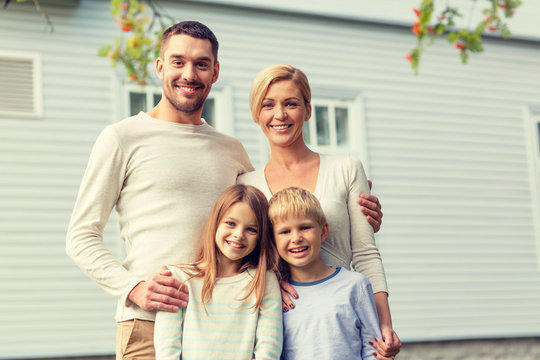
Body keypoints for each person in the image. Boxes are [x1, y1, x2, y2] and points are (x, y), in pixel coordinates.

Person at [66, 21, 382, 359]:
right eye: (178, 62)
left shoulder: (230, 149)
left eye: (201, 64)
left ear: (214, 72)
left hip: (227, 328)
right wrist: (135, 288)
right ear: (160, 67)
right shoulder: (122, 138)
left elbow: (269, 218)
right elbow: (80, 237)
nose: (189, 73)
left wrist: (348, 211)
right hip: (150, 320)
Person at [237, 64, 401, 358]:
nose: (280, 115)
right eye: (268, 105)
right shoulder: (246, 184)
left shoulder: (346, 168)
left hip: (338, 320)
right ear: (256, 114)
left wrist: (383, 324)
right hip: (279, 324)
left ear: (308, 110)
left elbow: (365, 252)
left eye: (291, 103)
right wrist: (271, 283)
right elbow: (243, 260)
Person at [154, 184, 282, 359]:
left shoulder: (264, 281)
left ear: (261, 237)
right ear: (215, 223)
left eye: (251, 229)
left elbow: (269, 349)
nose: (238, 235)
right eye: (230, 223)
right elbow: (167, 351)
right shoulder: (178, 279)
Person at [268, 187, 390, 360]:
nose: (296, 238)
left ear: (323, 231)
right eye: (285, 231)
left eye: (304, 227)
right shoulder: (277, 297)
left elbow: (374, 351)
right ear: (273, 240)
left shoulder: (355, 286)